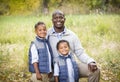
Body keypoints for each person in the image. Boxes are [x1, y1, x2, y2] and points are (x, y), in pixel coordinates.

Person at [48, 10, 100, 82]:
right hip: (53, 68)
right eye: (55, 18)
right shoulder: (47, 35)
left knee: (95, 70)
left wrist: (90, 61)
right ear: (52, 20)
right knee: (36, 78)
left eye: (61, 17)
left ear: (64, 19)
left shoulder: (72, 35)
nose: (58, 20)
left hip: (71, 65)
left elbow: (80, 52)